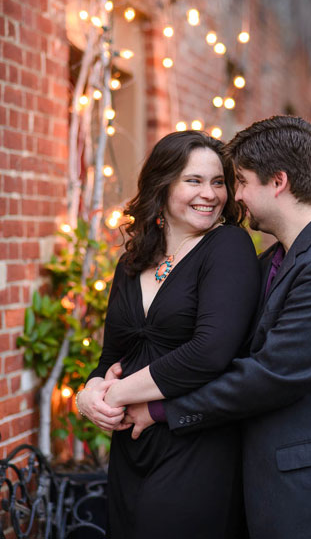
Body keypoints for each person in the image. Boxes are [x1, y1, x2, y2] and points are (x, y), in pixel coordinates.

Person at [112, 115, 311, 538]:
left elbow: (271, 374)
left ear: (279, 181)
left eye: (241, 181)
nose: (234, 196)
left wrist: (160, 408)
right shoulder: (273, 260)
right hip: (281, 491)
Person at [76, 131, 260, 538]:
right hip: (131, 450)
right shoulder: (132, 262)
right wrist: (87, 394)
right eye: (194, 181)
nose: (210, 194)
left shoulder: (227, 246)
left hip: (195, 444)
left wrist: (118, 396)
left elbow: (208, 352)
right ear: (163, 185)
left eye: (218, 182)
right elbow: (112, 357)